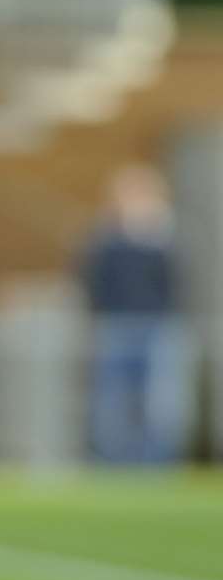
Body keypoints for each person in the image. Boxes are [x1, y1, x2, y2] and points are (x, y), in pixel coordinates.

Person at [77, 164, 187, 464]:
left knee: (159, 404)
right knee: (112, 401)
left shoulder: (164, 240)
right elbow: (94, 280)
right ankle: (112, 461)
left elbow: (176, 282)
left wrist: (153, 236)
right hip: (115, 327)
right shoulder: (105, 240)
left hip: (156, 327)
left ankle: (156, 462)